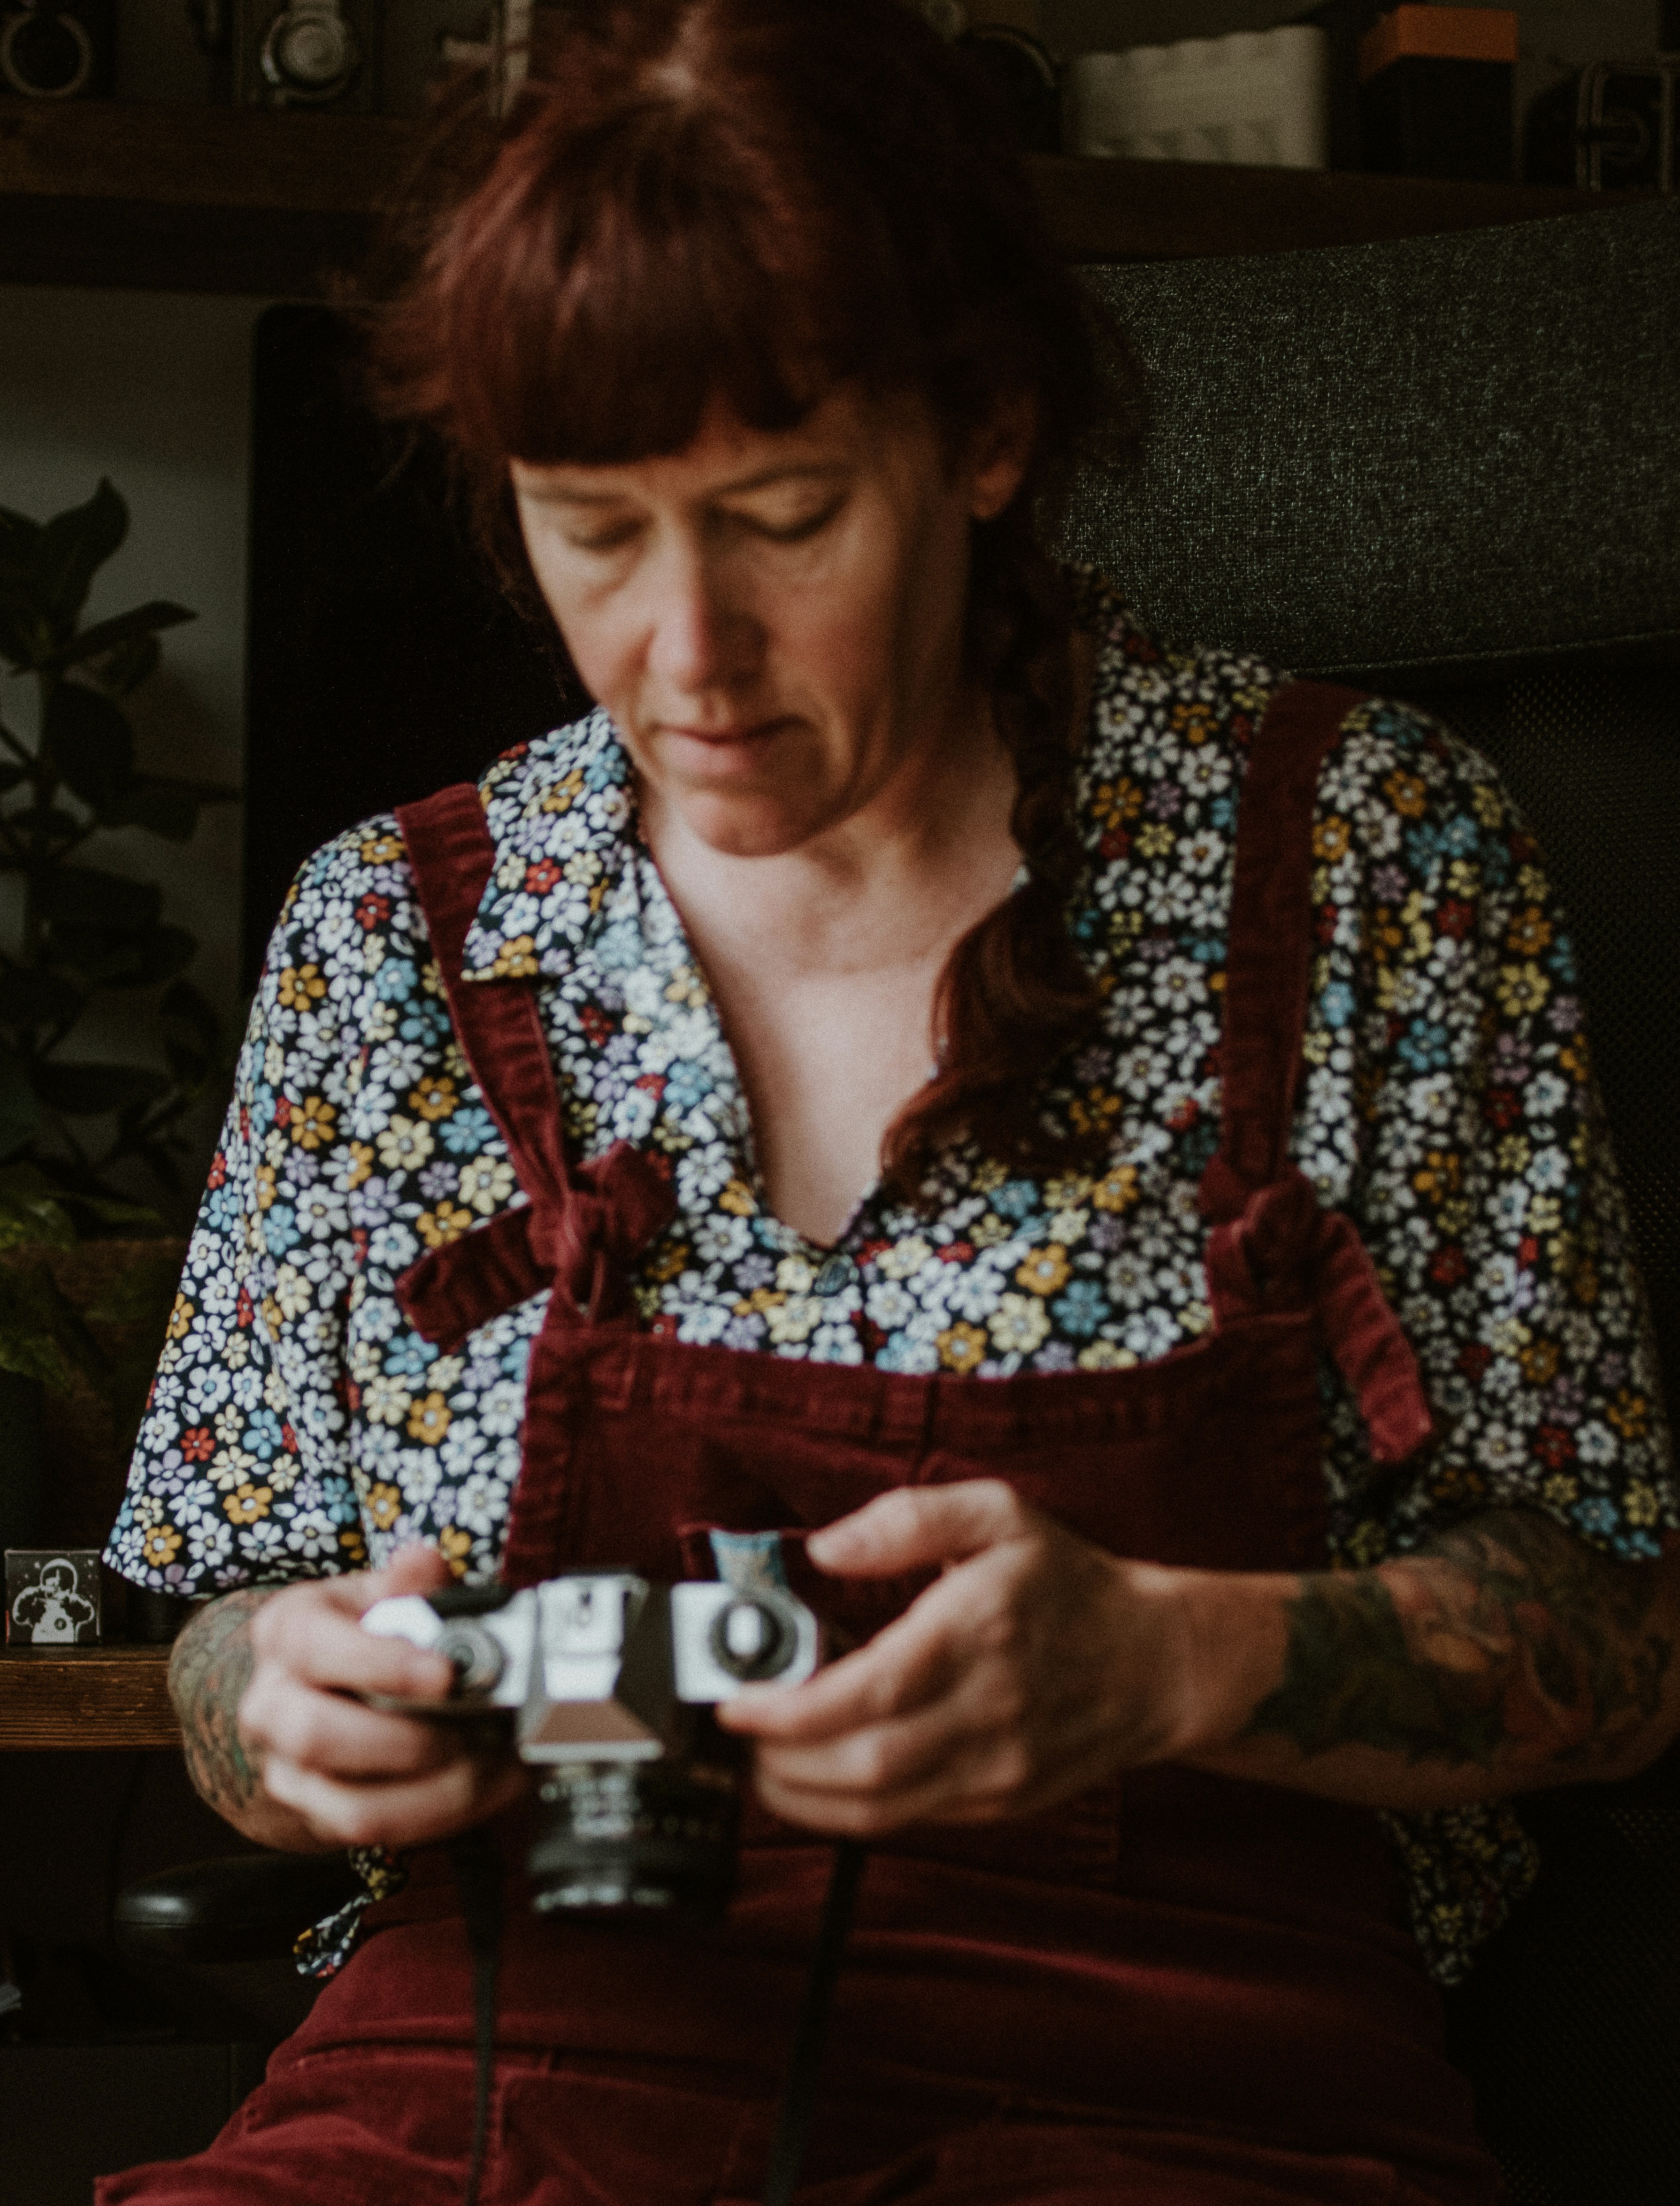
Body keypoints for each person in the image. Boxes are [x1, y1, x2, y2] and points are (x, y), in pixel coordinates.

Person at [97, 3, 1680, 2200]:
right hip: (504, 2079)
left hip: (1189, 2091)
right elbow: (212, 1633)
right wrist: (278, 1703)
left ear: (987, 432)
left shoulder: (1365, 859)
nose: (686, 655)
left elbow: (1606, 1643)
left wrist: (1169, 1654)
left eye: (783, 518)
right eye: (589, 532)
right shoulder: (398, 937)